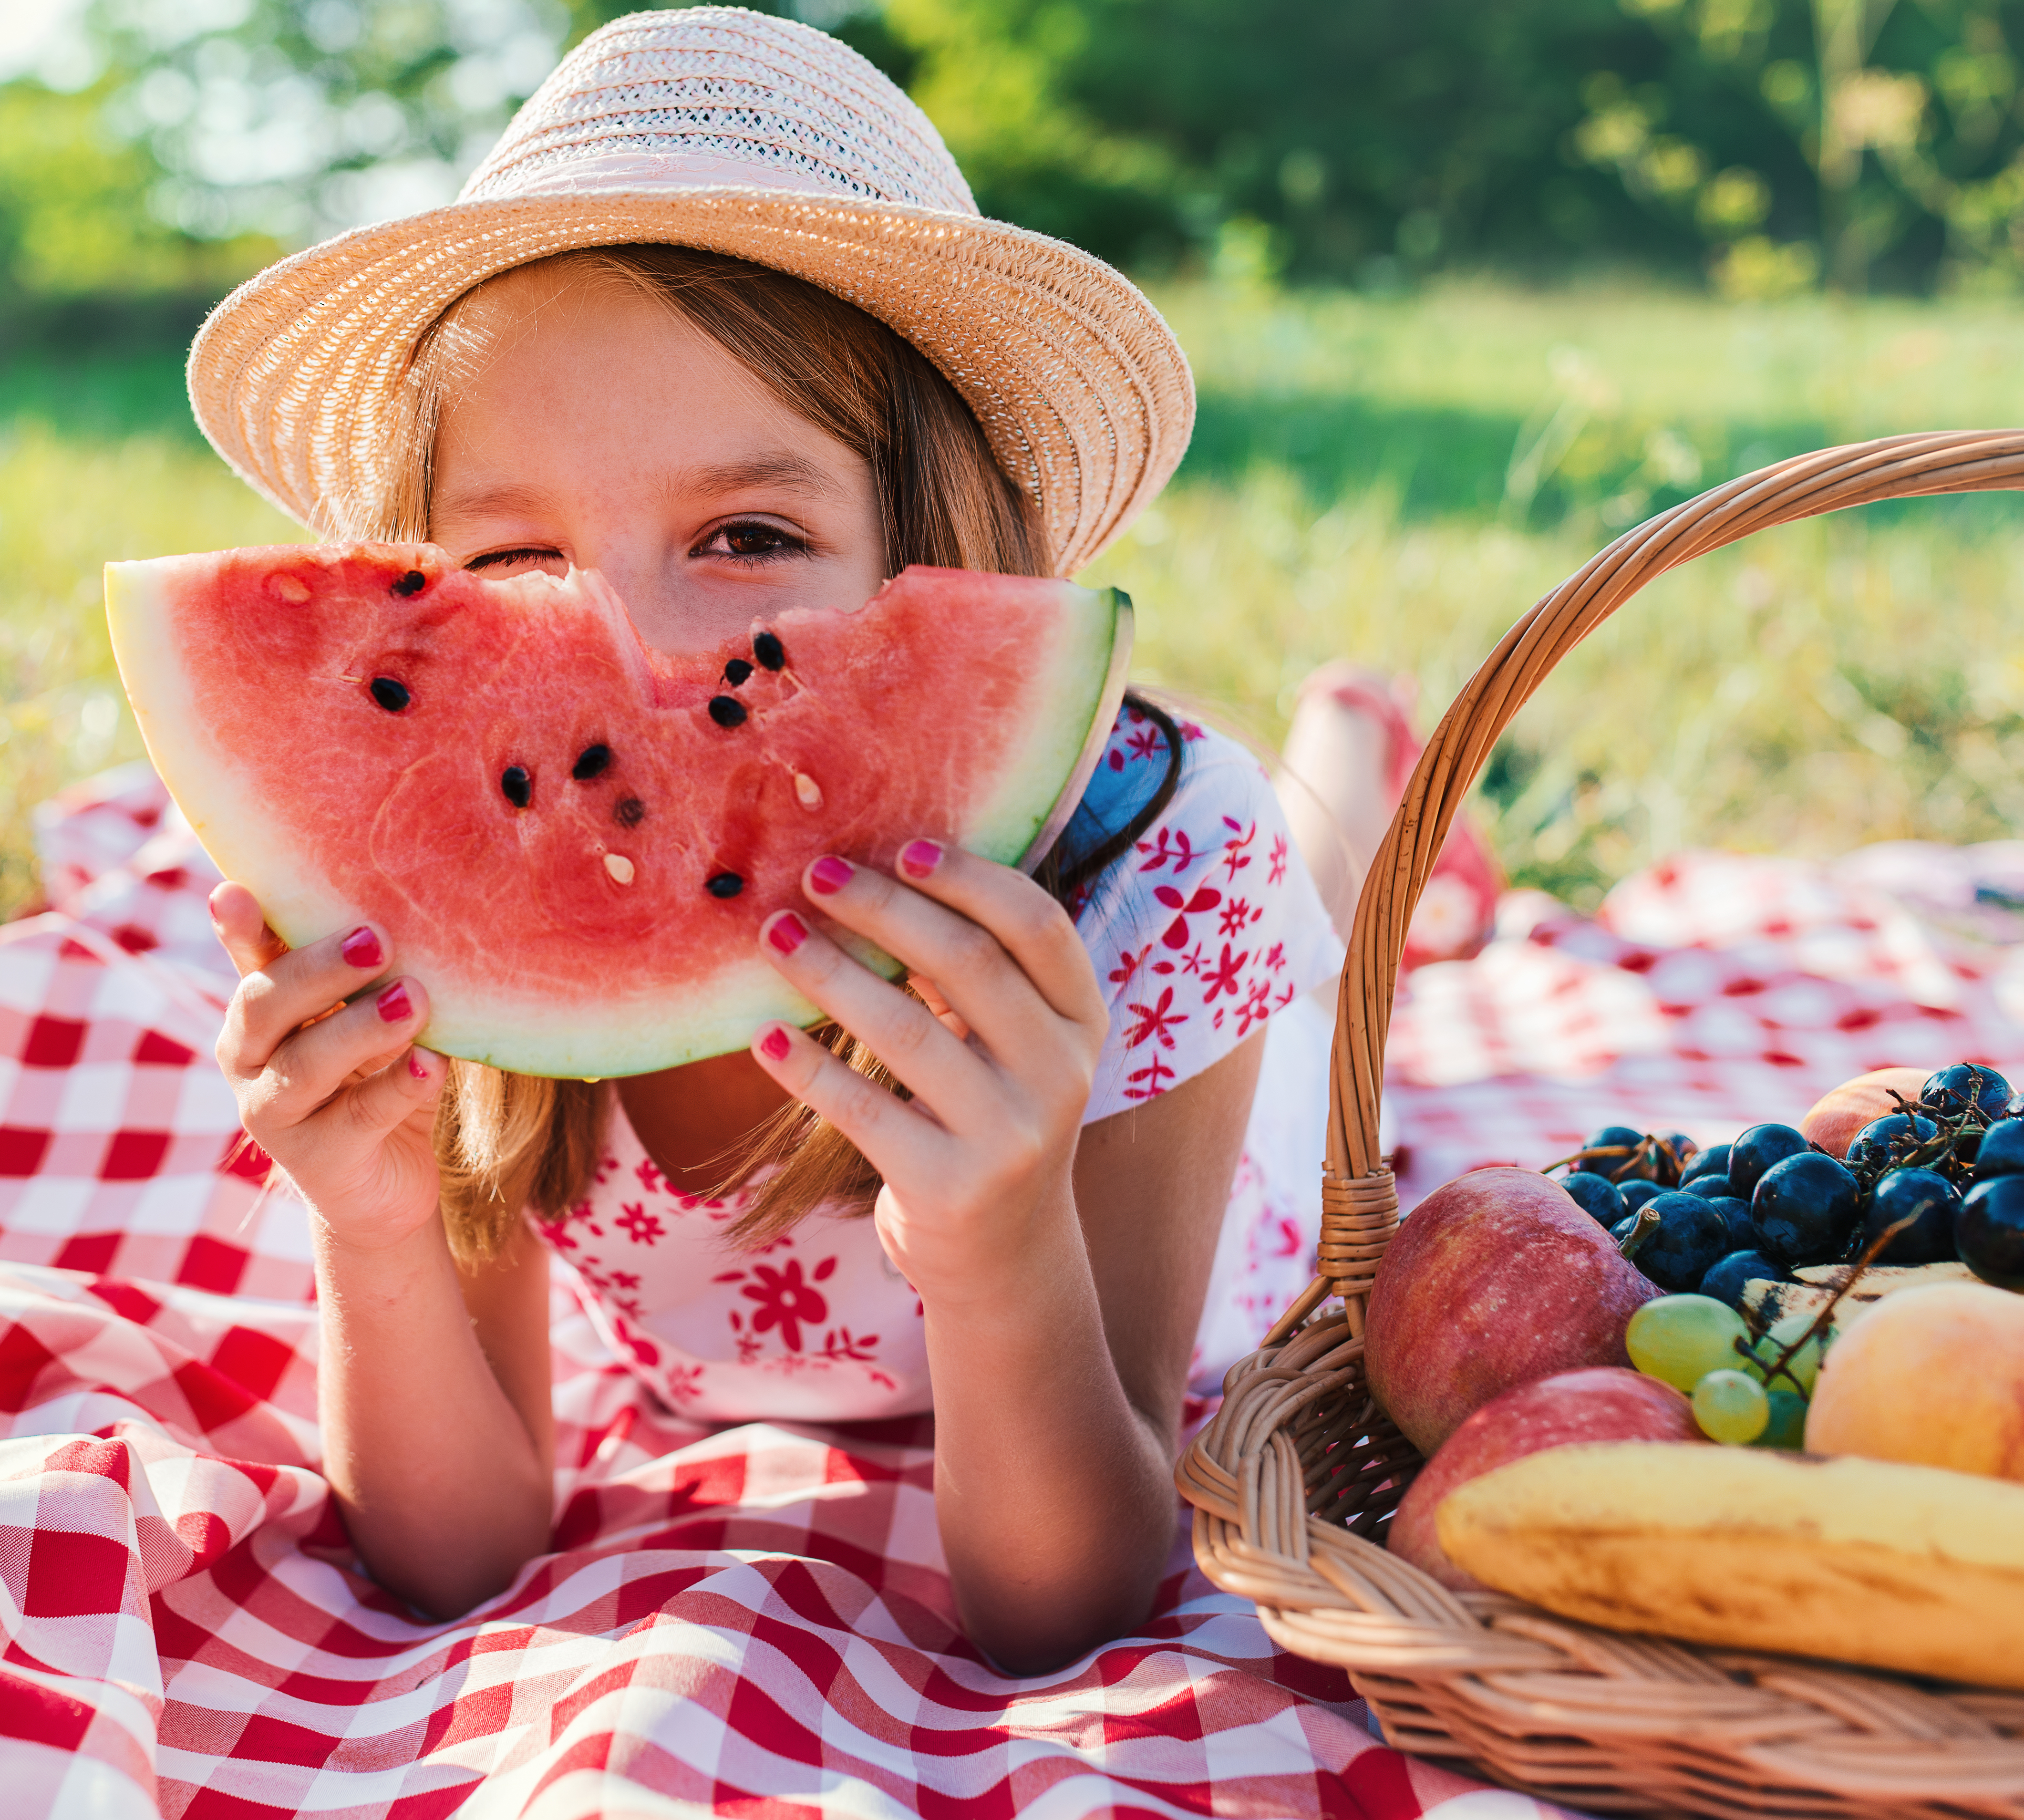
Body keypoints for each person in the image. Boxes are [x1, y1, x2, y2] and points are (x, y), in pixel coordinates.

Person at [182, 7, 1457, 1673]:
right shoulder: (428, 916)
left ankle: (1346, 775)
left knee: (1333, 916)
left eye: (747, 535)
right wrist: (370, 1227)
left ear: (939, 558)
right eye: (515, 569)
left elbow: (1058, 1607)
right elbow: (453, 1551)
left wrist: (1000, 1247)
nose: (639, 655)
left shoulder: (1165, 877)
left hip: (1200, 1035)